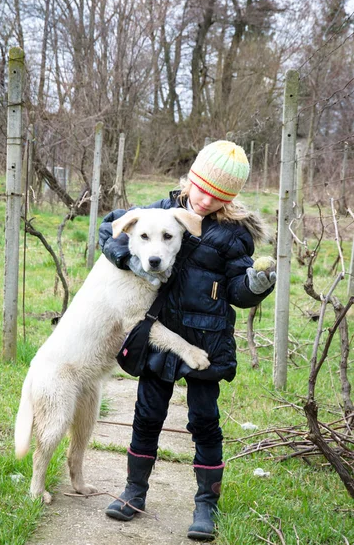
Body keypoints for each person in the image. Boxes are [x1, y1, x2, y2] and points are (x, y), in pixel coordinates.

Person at [98, 140, 276, 541]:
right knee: (147, 414)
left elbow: (237, 292)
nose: (205, 198)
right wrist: (129, 258)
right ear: (191, 177)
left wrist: (255, 285)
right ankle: (134, 492)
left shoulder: (233, 237)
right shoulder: (160, 211)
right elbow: (110, 229)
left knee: (204, 421)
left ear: (229, 198)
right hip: (159, 334)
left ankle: (205, 505)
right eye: (201, 187)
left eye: (218, 195)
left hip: (206, 339)